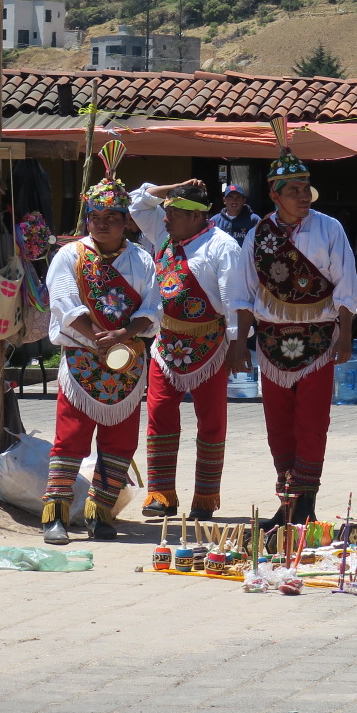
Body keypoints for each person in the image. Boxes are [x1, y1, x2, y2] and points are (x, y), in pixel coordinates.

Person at [235, 136, 357, 529]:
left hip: (318, 338)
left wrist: (344, 333)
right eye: (294, 190)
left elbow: (346, 283)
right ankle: (287, 503)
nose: (304, 196)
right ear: (276, 195)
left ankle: (306, 501)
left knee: (312, 421)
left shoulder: (329, 229)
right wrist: (239, 342)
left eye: (306, 189)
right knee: (278, 425)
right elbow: (242, 290)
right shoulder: (259, 235)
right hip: (271, 342)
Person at [40, 145, 161, 544]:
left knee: (121, 440)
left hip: (127, 361)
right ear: (87, 219)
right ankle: (55, 513)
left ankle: (100, 512)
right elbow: (65, 303)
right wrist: (98, 340)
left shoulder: (142, 260)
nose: (103, 225)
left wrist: (122, 337)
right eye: (96, 217)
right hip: (82, 359)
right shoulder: (69, 256)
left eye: (112, 218)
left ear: (126, 222)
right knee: (70, 436)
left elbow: (153, 309)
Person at [129, 180, 246, 519]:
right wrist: (174, 187)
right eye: (167, 212)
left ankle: (205, 497)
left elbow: (234, 300)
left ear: (196, 218)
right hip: (166, 345)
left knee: (211, 421)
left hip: (209, 346)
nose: (166, 218)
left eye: (175, 213)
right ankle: (161, 494)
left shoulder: (222, 246)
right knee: (159, 415)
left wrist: (237, 346)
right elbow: (138, 202)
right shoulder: (164, 235)